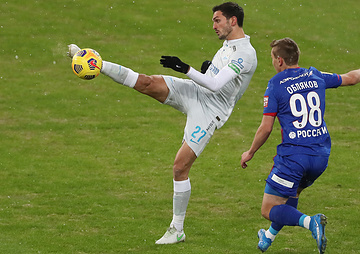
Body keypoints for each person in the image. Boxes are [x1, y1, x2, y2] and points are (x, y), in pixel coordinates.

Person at [68, 2, 257, 245]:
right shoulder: (228, 46)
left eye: (217, 20)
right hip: (196, 92)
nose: (213, 26)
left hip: (210, 112)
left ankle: (177, 229)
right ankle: (97, 63)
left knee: (179, 168)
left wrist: (184, 67)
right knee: (147, 83)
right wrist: (207, 70)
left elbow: (216, 86)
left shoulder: (245, 53)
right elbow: (213, 78)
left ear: (233, 21)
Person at [240, 37, 360, 253]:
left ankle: (310, 222)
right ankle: (267, 237)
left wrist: (250, 152)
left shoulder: (275, 85)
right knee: (292, 194)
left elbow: (266, 128)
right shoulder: (315, 75)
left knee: (269, 209)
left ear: (279, 61)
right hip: (320, 156)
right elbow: (350, 78)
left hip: (294, 158)